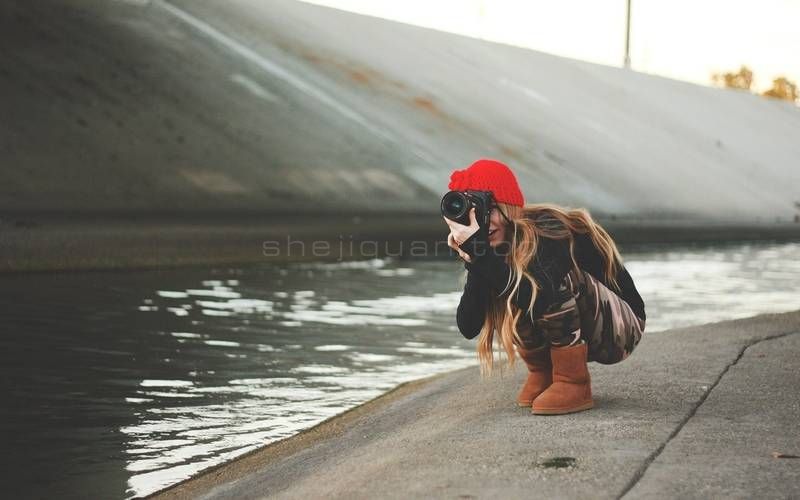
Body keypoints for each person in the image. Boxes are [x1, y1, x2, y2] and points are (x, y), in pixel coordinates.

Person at [442, 158, 646, 415]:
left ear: (510, 207)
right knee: (510, 283)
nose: (486, 220)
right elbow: (468, 326)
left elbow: (545, 298)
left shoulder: (550, 228)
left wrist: (483, 257)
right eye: (476, 212)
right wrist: (474, 258)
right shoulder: (490, 248)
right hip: (581, 324)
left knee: (536, 283)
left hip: (621, 328)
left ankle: (573, 381)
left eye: (490, 208)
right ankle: (545, 372)